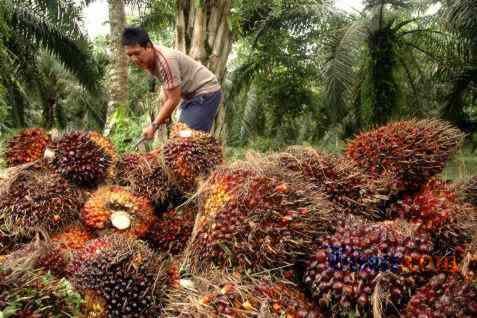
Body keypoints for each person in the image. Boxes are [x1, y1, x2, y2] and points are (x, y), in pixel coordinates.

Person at [121, 26, 222, 140]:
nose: (134, 59)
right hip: (191, 96)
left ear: (148, 46)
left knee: (186, 140)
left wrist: (153, 126)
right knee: (181, 139)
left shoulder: (166, 61)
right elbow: (167, 86)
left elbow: (174, 99)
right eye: (130, 55)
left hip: (205, 92)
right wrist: (166, 114)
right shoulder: (150, 60)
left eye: (137, 53)